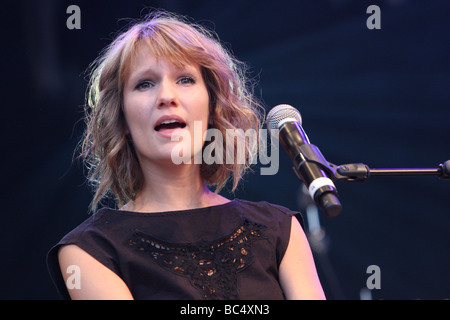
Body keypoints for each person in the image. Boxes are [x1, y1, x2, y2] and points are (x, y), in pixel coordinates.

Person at [47, 10, 326, 300]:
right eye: (144, 83)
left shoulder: (280, 229)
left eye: (185, 79)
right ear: (122, 119)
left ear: (212, 107)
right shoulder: (89, 250)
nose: (167, 96)